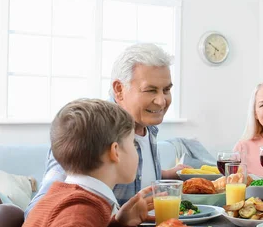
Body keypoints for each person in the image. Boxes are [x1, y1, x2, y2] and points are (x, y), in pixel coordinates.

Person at [0, 99, 241, 227]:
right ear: (116, 152)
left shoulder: (66, 194)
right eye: (133, 144)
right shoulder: (78, 204)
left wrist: (116, 226)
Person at [25, 43, 188, 217]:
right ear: (119, 89)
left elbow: (130, 175)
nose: (161, 101)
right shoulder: (89, 129)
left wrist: (164, 175)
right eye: (150, 90)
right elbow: (38, 212)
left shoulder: (148, 124)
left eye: (166, 90)